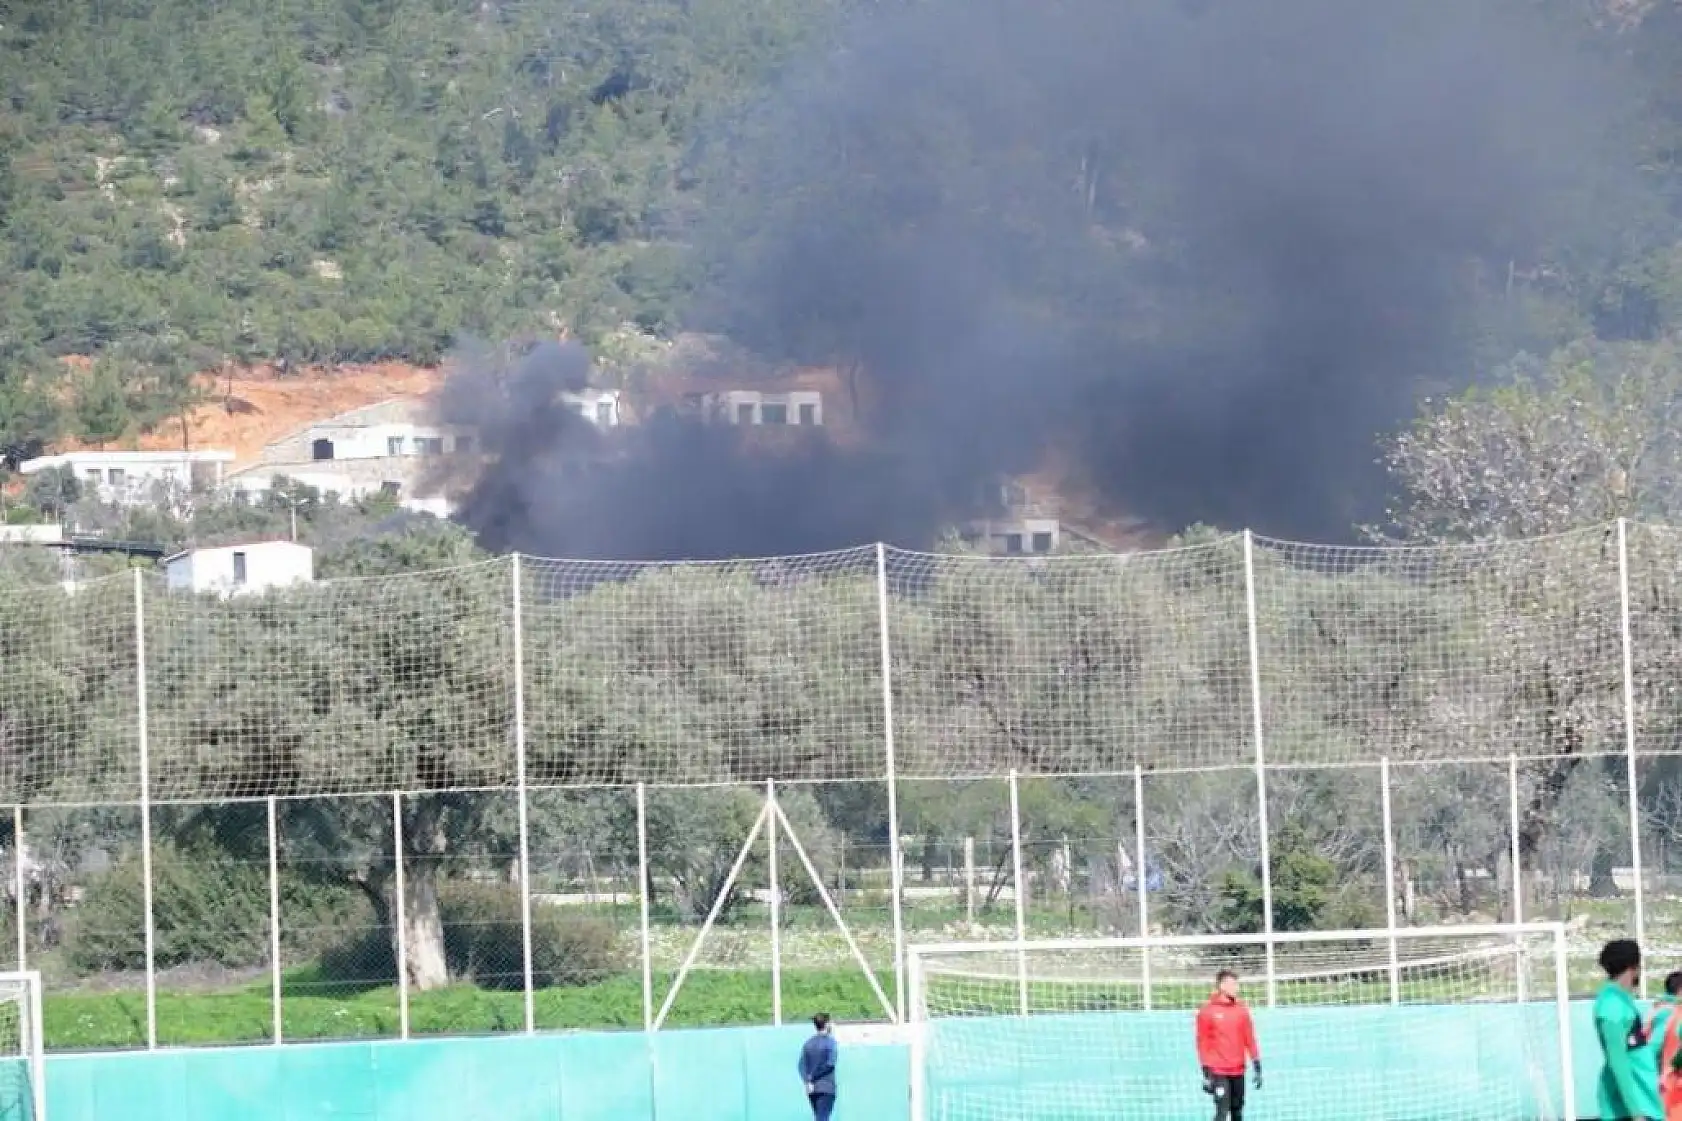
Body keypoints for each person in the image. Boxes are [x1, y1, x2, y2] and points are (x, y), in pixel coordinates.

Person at [1596, 939, 1662, 1121]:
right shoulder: (1612, 1006)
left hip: (1644, 1102)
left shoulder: (1621, 1001)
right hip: (1629, 1109)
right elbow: (1617, 1060)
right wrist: (1635, 1113)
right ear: (1634, 967)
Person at [1195, 969, 1261, 1121]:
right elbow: (1202, 1042)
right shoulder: (1207, 1011)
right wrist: (1206, 1071)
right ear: (1222, 986)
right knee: (1222, 1112)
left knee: (1237, 1112)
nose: (1236, 988)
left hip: (1238, 1070)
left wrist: (1257, 1065)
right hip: (1218, 1071)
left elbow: (1249, 1038)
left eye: (1237, 984)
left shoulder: (1241, 1010)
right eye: (1232, 984)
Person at [798, 1011, 838, 1121]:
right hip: (826, 1087)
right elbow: (830, 1065)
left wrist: (808, 1081)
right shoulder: (830, 1042)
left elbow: (801, 1066)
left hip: (812, 1089)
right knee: (823, 1118)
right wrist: (812, 1077)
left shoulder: (808, 1043)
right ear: (827, 1024)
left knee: (819, 1117)